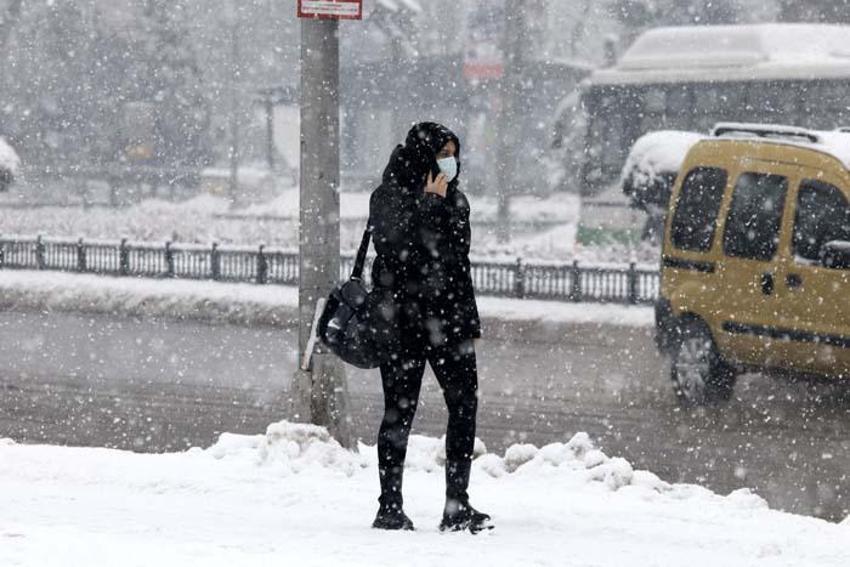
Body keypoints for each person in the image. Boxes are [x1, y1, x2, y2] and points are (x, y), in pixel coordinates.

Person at [368, 122, 492, 533]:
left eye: (454, 153)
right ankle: (390, 506)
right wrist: (428, 205)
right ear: (424, 155)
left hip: (449, 321)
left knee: (464, 406)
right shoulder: (388, 196)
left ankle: (457, 505)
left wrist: (439, 206)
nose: (450, 162)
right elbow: (398, 251)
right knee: (399, 412)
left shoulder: (456, 200)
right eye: (443, 153)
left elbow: (452, 257)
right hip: (403, 323)